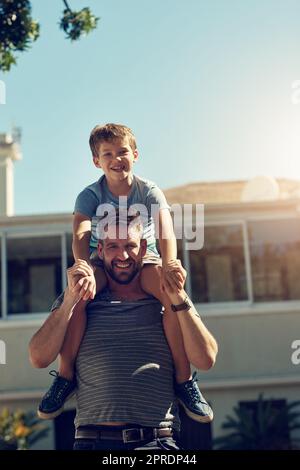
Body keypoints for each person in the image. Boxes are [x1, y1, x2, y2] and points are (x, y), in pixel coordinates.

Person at [37, 123, 213, 423]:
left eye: (122, 151)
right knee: (81, 293)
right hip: (102, 259)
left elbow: (165, 229)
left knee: (169, 294)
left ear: (135, 154)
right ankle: (65, 377)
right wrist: (83, 265)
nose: (116, 158)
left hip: (144, 258)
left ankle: (184, 380)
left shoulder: (149, 191)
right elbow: (80, 231)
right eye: (108, 154)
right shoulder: (90, 194)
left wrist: (170, 263)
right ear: (97, 161)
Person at [29, 215, 218, 450]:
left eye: (130, 246)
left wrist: (179, 297)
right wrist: (69, 299)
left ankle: (185, 382)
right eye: (113, 247)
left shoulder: (165, 299)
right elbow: (38, 357)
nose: (123, 255)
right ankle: (64, 380)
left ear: (142, 249)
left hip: (156, 441)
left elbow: (206, 358)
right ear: (99, 249)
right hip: (92, 441)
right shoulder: (82, 301)